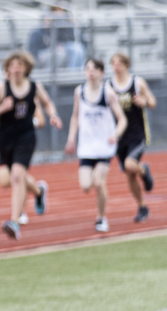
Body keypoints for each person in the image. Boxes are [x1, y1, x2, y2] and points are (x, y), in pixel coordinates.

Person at [0, 50, 61, 240]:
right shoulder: (1, 88)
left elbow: (47, 102)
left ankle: (14, 221)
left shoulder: (34, 86)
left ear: (26, 68)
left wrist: (53, 115)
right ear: (7, 69)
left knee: (17, 175)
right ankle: (39, 191)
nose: (16, 69)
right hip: (5, 139)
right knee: (5, 180)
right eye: (12, 65)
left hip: (25, 137)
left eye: (20, 65)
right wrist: (2, 107)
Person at [64, 58, 127, 233]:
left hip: (104, 147)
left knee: (99, 183)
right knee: (86, 186)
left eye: (94, 69)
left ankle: (101, 218)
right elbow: (75, 116)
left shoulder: (108, 93)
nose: (90, 72)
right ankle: (100, 211)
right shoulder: (79, 91)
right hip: (86, 147)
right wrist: (71, 139)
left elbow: (122, 119)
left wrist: (115, 134)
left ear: (101, 73)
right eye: (88, 69)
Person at [109, 53, 156, 223]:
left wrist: (145, 101)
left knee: (130, 164)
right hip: (119, 137)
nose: (117, 66)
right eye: (114, 63)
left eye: (120, 63)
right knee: (129, 175)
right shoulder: (108, 86)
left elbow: (152, 101)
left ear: (126, 65)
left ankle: (144, 171)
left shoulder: (137, 82)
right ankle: (142, 207)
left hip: (137, 134)